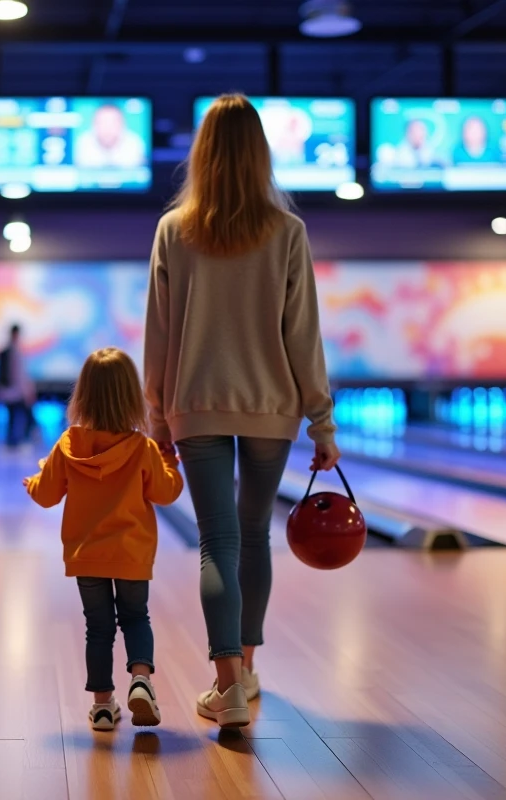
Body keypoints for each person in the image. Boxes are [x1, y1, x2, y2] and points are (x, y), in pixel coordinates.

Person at [143, 94, 340, 729]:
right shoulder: (288, 232)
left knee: (217, 543)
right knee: (253, 537)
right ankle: (246, 669)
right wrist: (321, 420)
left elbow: (159, 333)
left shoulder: (175, 230)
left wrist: (156, 418)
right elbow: (302, 334)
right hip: (271, 407)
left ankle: (227, 683)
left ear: (201, 155)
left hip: (194, 405)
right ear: (261, 155)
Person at [23, 347, 183, 731]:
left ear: (84, 394)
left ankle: (103, 707)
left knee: (99, 627)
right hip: (131, 554)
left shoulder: (67, 446)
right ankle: (141, 680)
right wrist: (171, 463)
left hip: (87, 555)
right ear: (132, 396)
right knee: (135, 617)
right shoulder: (143, 448)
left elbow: (45, 496)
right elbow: (166, 492)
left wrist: (33, 481)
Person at [73, 104, 148, 170]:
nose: (107, 128)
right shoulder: (83, 143)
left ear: (122, 125)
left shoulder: (134, 143)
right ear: (94, 125)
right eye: (103, 122)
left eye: (112, 123)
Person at [0, 324, 34, 447]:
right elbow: (19, 376)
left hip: (9, 392)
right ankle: (17, 440)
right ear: (16, 334)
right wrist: (27, 392)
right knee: (22, 417)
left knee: (13, 417)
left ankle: (13, 441)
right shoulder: (15, 352)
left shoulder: (7, 351)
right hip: (16, 392)